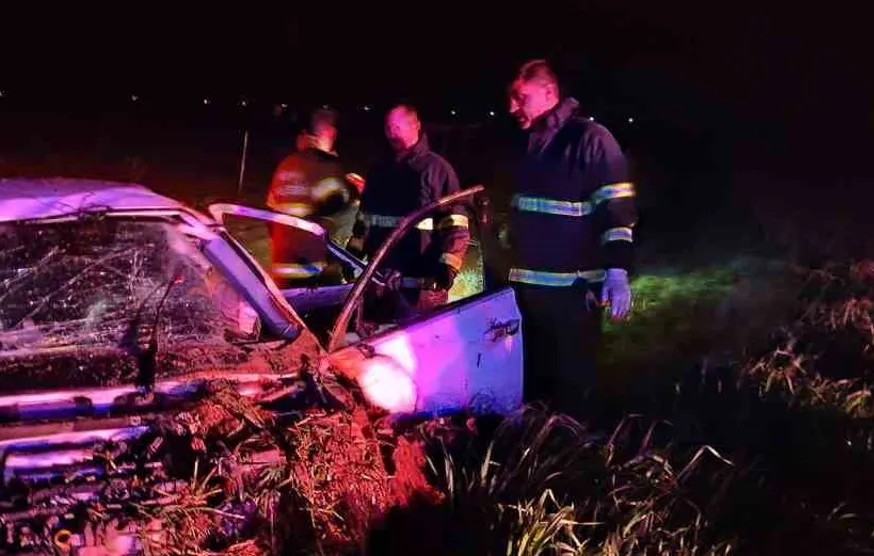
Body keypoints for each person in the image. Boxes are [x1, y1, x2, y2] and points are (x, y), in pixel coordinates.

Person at [501, 58, 636, 417]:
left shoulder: (591, 140)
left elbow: (617, 213)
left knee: (572, 394)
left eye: (520, 97)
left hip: (573, 297)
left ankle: (576, 459)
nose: (511, 107)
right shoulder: (525, 145)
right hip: (523, 296)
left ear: (549, 93)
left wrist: (617, 271)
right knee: (531, 389)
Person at [349, 104, 471, 319]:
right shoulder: (379, 171)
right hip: (378, 287)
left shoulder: (437, 170)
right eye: (388, 128)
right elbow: (363, 221)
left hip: (420, 292)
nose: (391, 134)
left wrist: (446, 270)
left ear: (416, 126)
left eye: (397, 127)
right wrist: (352, 255)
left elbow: (456, 227)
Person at [263, 108, 359, 288]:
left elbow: (269, 215)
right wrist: (355, 188)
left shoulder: (287, 164)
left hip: (282, 267)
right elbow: (344, 214)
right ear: (330, 133)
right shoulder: (326, 167)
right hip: (313, 272)